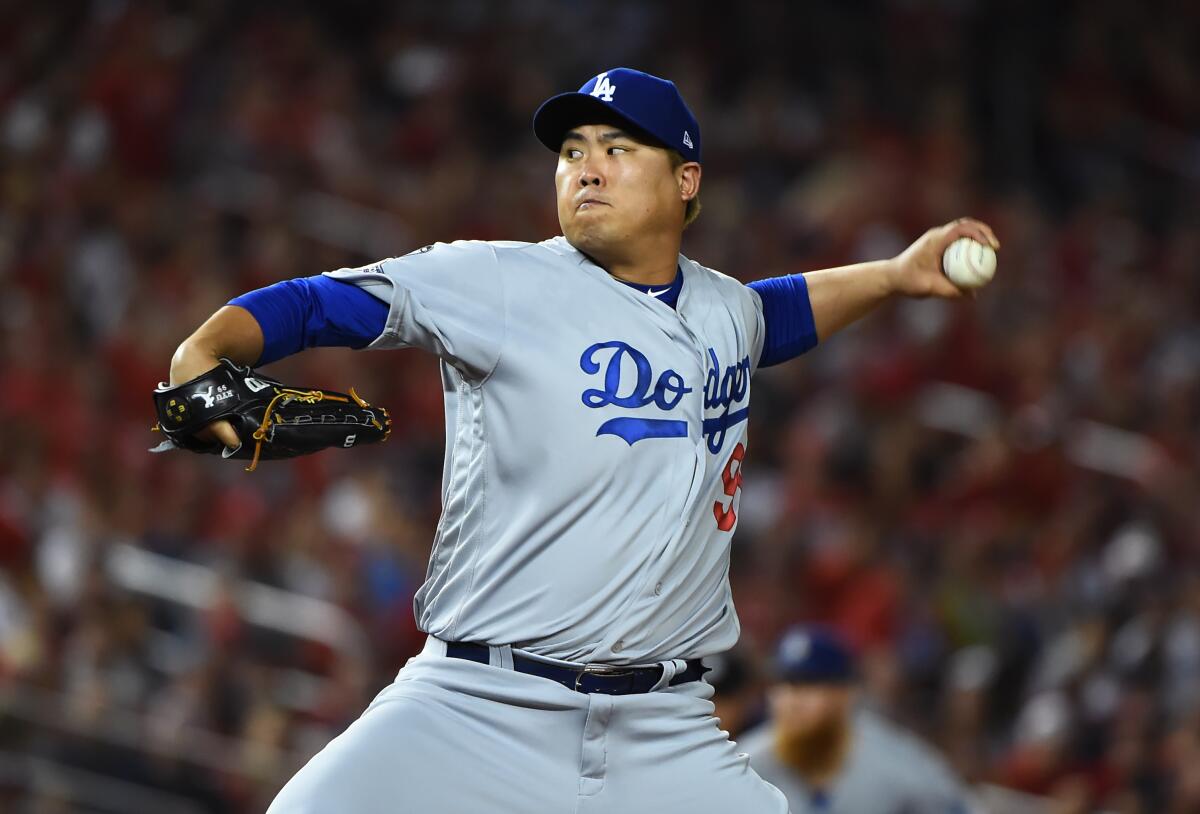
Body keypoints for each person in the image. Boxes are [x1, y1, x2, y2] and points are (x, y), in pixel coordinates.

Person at [165, 67, 999, 812]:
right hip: (476, 704)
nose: (585, 165)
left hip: (664, 730)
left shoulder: (724, 310)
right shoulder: (496, 281)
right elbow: (321, 302)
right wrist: (202, 354)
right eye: (571, 150)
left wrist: (893, 276)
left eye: (617, 147)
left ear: (686, 181)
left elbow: (778, 315)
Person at [739, 626, 976, 814]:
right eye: (785, 685)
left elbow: (957, 805)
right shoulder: (747, 764)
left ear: (847, 694)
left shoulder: (896, 760)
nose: (793, 699)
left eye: (810, 685)